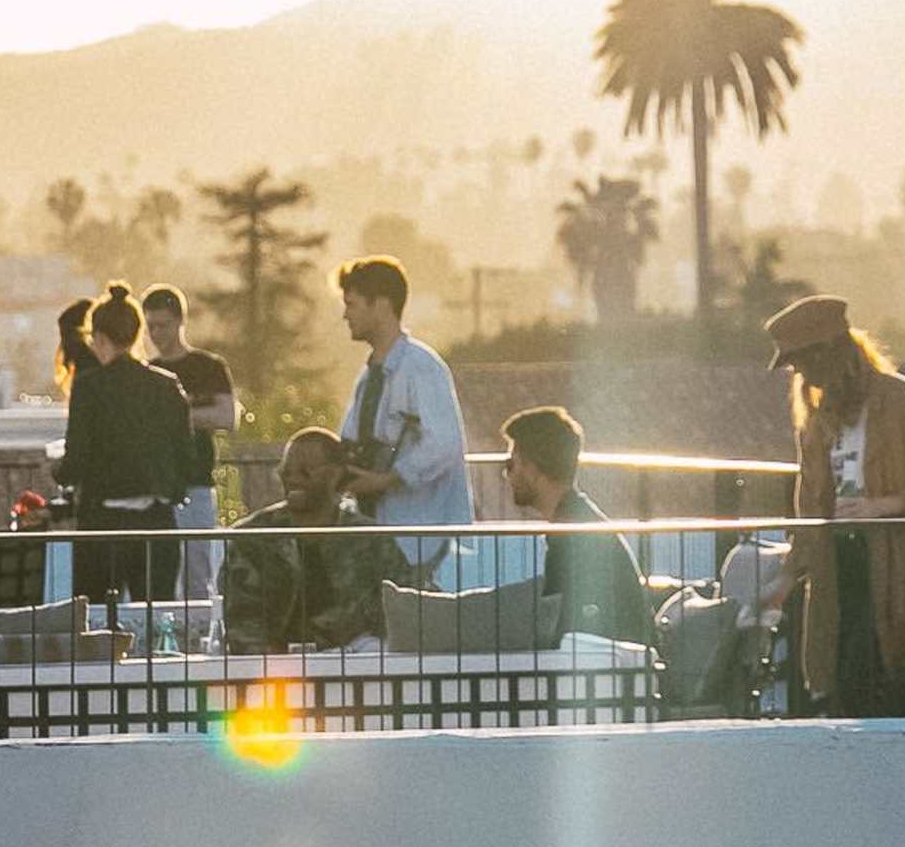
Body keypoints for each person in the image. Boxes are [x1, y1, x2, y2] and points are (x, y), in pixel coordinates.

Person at [769, 294, 905, 717]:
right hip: (837, 566)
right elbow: (810, 508)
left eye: (801, 362)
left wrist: (881, 506)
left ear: (828, 354)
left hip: (894, 565)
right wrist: (786, 578)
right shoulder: (816, 421)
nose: (799, 374)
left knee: (888, 670)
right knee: (843, 679)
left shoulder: (904, 402)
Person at [333, 255, 468, 573]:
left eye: (352, 305)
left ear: (381, 305)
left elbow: (444, 443)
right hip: (379, 531)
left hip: (416, 535)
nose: (345, 315)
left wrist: (387, 480)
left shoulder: (421, 367)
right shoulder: (369, 376)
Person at [63, 283, 196, 603]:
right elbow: (187, 455)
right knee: (156, 613)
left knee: (96, 614)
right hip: (156, 520)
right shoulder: (166, 385)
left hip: (102, 523)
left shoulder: (89, 387)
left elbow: (76, 460)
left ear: (99, 338)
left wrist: (58, 472)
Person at [220, 428, 404, 652]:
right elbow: (241, 623)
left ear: (336, 474)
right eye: (286, 472)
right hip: (276, 664)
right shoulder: (253, 537)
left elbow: (402, 608)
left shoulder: (370, 539)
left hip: (355, 659)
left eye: (305, 471)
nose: (293, 479)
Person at [501, 403, 649, 643]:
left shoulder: (572, 535)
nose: (507, 475)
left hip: (611, 660)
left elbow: (562, 625)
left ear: (533, 469)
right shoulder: (577, 520)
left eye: (511, 464)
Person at [139, 284, 236, 598]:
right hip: (158, 487)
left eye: (163, 325)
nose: (156, 334)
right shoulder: (148, 372)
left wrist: (177, 417)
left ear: (180, 321)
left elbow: (226, 417)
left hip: (196, 482)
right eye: (151, 326)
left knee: (198, 573)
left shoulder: (209, 367)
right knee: (158, 576)